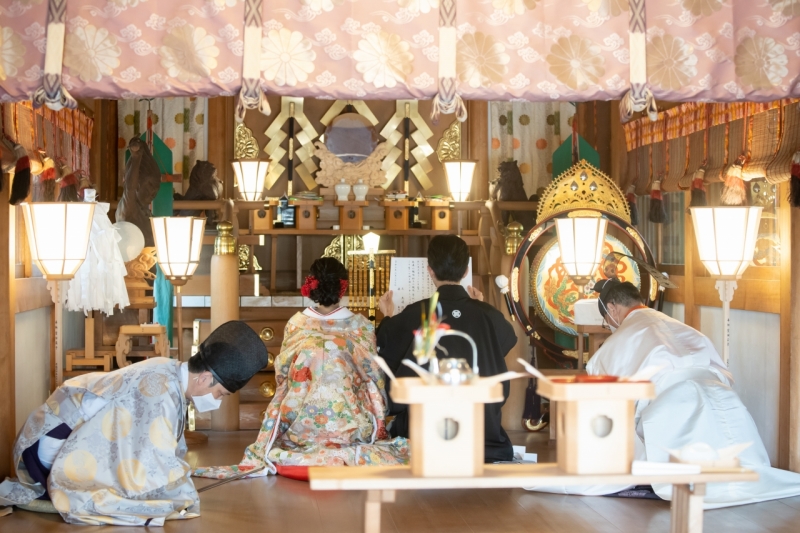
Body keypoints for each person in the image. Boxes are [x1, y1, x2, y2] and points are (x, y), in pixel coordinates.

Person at [527, 279, 800, 507]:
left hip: (669, 407)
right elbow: (724, 373)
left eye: (606, 318)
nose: (608, 323)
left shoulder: (616, 342)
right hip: (721, 397)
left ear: (612, 308)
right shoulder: (681, 326)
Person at [0, 320, 268, 525]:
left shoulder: (170, 369)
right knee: (161, 497)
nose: (217, 401)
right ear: (205, 378)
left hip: (50, 432)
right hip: (47, 452)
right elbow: (151, 457)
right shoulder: (160, 390)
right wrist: (181, 493)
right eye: (220, 393)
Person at [196, 258, 408, 479]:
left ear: (312, 286)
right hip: (351, 429)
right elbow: (373, 375)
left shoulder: (297, 323)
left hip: (299, 429)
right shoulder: (361, 325)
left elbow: (283, 374)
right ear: (343, 287)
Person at [376, 234, 516, 463]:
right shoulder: (488, 315)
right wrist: (480, 307)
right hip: (483, 438)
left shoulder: (415, 313)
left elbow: (386, 347)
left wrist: (389, 317)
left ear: (430, 270)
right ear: (465, 271)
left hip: (425, 435)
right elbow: (503, 341)